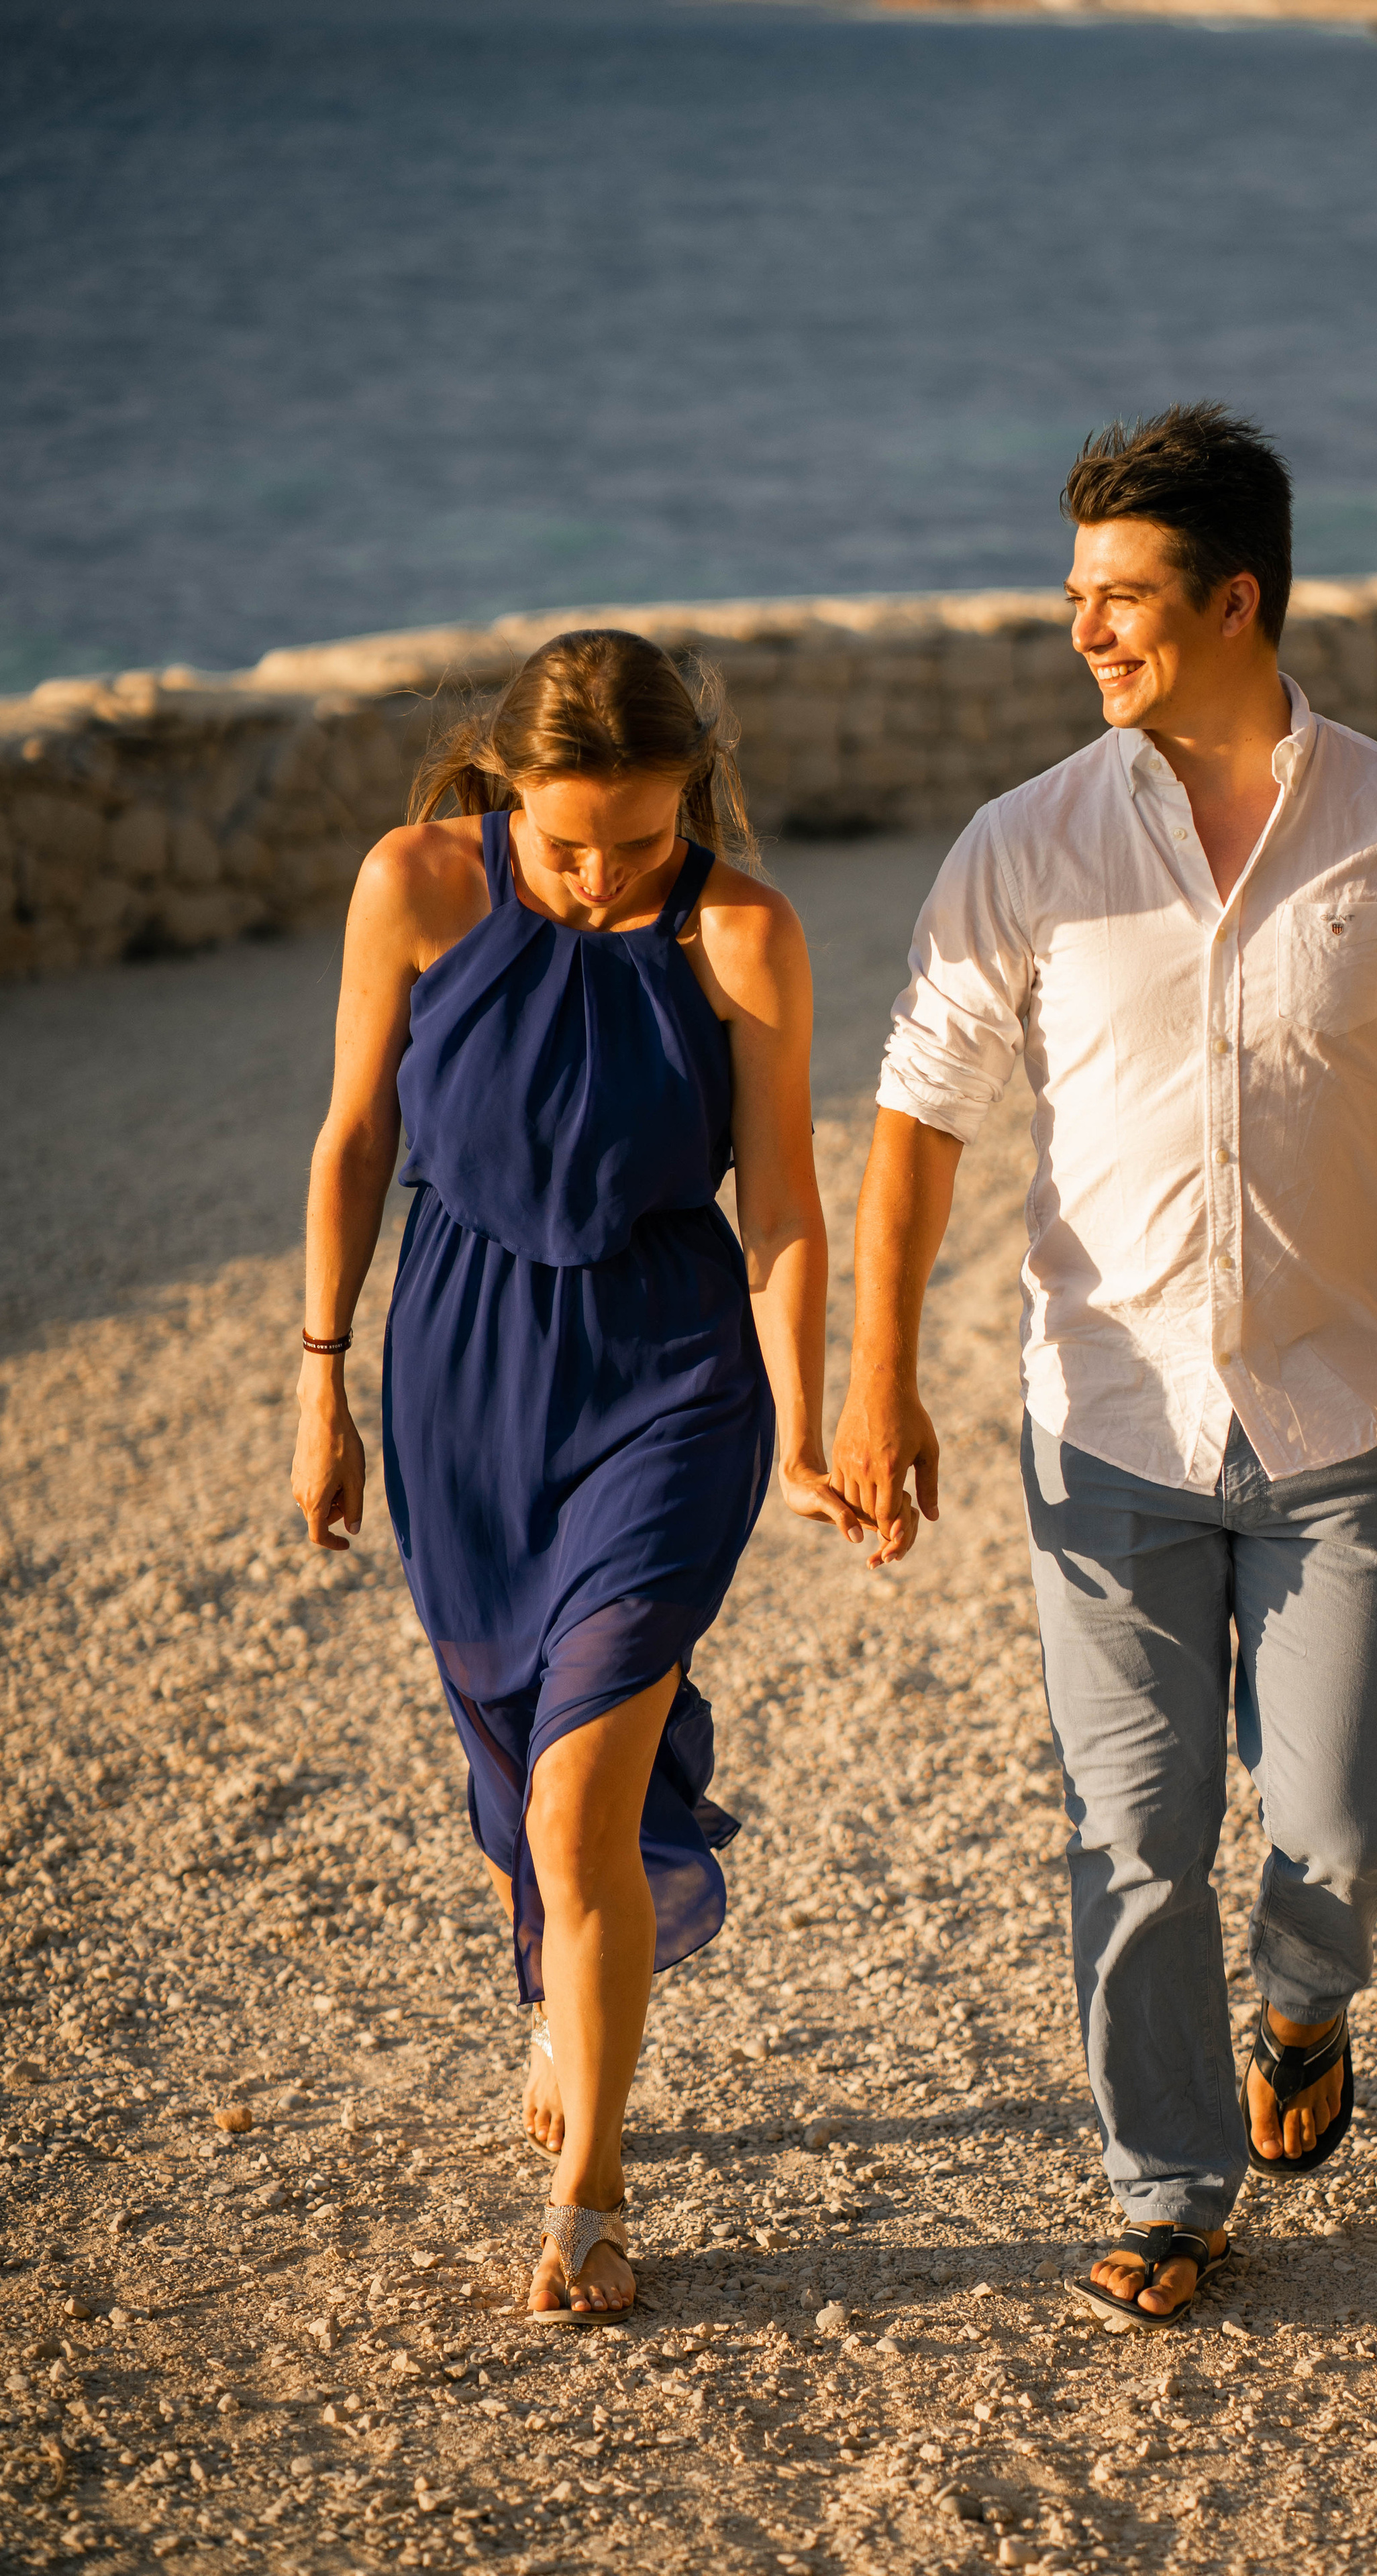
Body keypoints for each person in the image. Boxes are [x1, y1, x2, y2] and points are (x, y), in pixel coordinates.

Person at [831, 406, 1377, 2329]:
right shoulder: (1025, 845)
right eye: (1075, 592)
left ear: (1236, 597)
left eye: (1119, 596)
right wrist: (877, 1383)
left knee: (1347, 1818)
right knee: (1136, 1834)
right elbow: (919, 1117)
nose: (1083, 630)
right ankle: (1167, 2186)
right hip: (1104, 1429)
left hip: (1344, 1416)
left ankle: (1307, 2001)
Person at [291, 631, 882, 2320]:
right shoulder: (412, 886)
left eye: (640, 836)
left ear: (687, 793)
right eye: (568, 843)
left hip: (671, 1372)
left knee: (578, 1797)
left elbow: (778, 1205)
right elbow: (351, 1142)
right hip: (463, 1369)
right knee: (510, 1778)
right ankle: (560, 1997)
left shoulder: (737, 928)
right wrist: (319, 1383)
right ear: (504, 786)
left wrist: (808, 1428)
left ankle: (590, 2195)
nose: (606, 874)